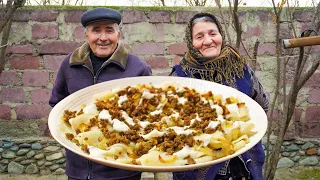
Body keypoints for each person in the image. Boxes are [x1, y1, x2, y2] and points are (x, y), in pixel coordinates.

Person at [49, 8, 152, 180]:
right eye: (96, 30)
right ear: (86, 35)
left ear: (118, 35)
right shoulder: (70, 64)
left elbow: (149, 115)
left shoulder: (137, 68)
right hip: (78, 168)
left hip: (122, 170)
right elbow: (57, 103)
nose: (103, 37)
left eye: (109, 30)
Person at [170, 12, 269, 180]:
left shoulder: (240, 69)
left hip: (243, 165)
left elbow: (262, 105)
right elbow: (170, 124)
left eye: (212, 33)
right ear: (191, 42)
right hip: (199, 167)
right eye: (199, 36)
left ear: (220, 35)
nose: (208, 41)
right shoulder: (181, 77)